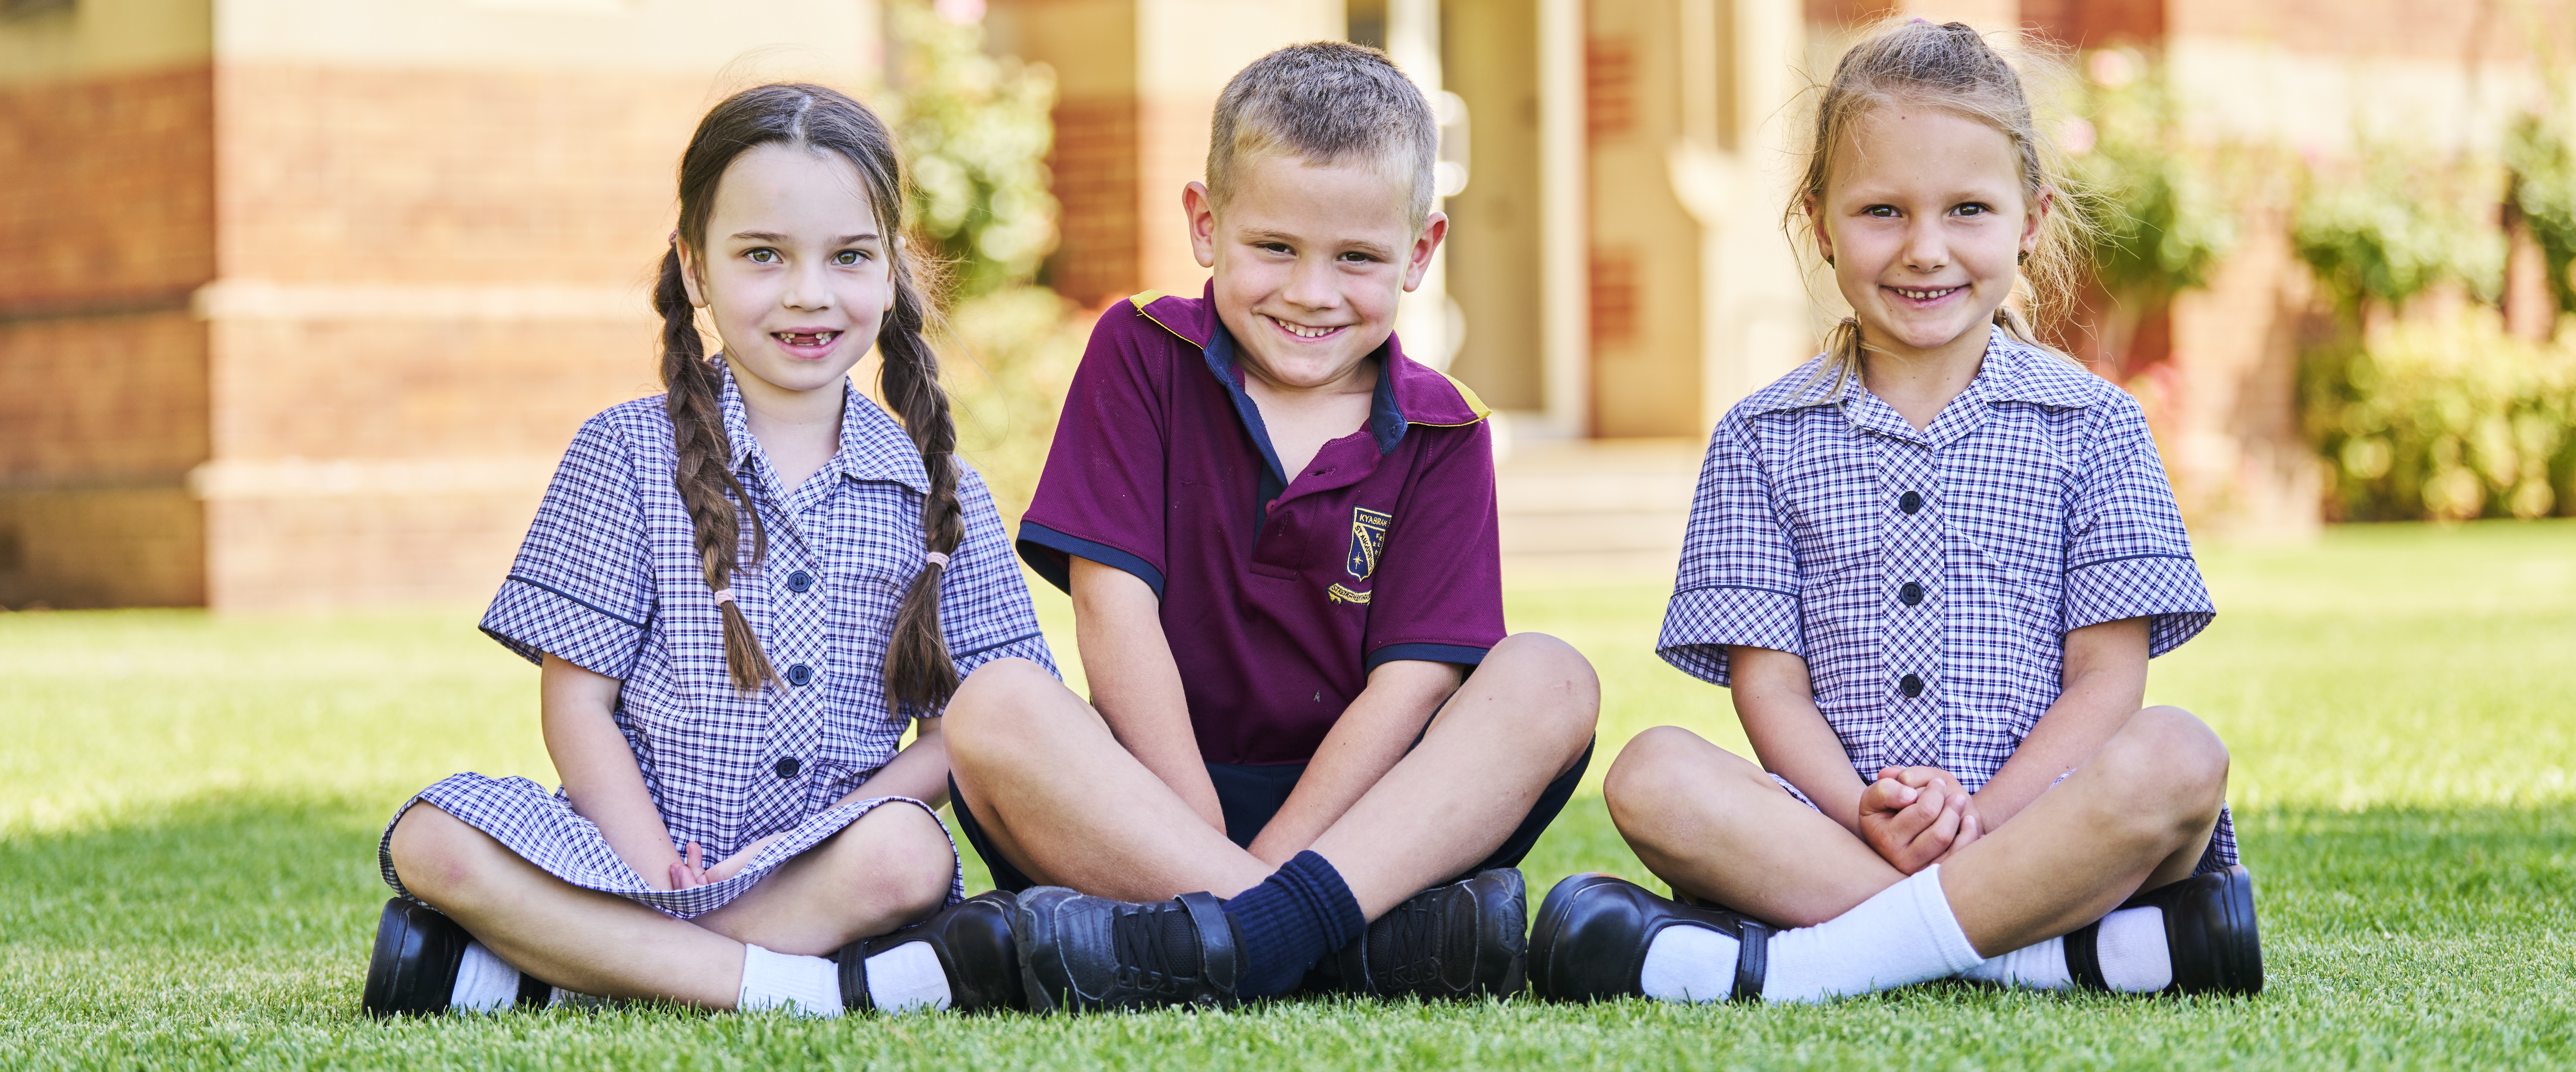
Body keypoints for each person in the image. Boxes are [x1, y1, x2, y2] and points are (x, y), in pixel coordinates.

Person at [1529, 19, 2262, 1004]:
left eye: (1968, 210)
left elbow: (2107, 681)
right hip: (1836, 834)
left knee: (2179, 753)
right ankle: (2040, 957)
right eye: (1882, 211)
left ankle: (1801, 969)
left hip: (2048, 829)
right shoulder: (1759, 439)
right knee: (1650, 772)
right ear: (1819, 223)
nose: (1925, 250)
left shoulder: (2094, 425)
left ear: (2031, 219)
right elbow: (1770, 688)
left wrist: (1982, 820)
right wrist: (1861, 810)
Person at [358, 83, 1051, 1018]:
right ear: (694, 267)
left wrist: (817, 841)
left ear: (892, 271)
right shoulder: (624, 452)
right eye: (763, 255)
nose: (808, 293)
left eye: (848, 257)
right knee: (431, 839)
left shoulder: (941, 494)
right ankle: (797, 989)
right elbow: (576, 703)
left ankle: (567, 968)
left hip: (823, 871)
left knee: (910, 854)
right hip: (623, 851)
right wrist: (653, 870)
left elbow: (959, 735)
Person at [938, 42, 1601, 1012]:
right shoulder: (1141, 350)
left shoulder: (1445, 428)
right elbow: (1113, 612)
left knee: (1552, 679)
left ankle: (1202, 941)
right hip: (1144, 803)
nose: (1311, 293)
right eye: (1275, 248)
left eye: (1357, 258)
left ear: (1420, 252)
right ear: (1205, 225)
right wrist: (1209, 850)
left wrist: (1281, 878)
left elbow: (1414, 685)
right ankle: (1351, 945)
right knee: (992, 706)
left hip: (1364, 821)